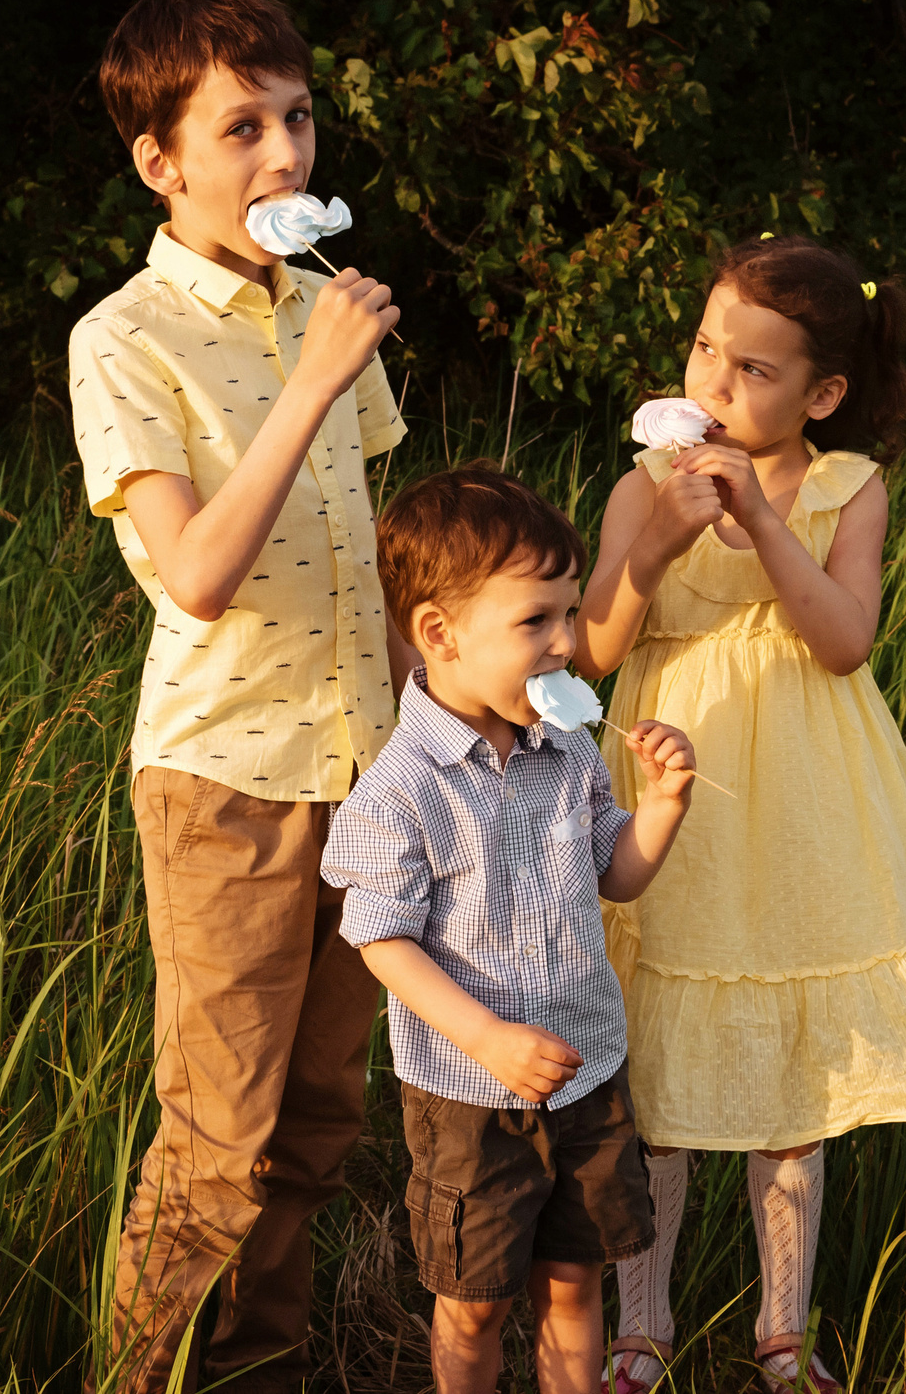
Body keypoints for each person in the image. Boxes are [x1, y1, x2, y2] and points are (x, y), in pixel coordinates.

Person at [576, 234, 906, 1394]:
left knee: (793, 1078)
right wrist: (664, 538)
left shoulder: (845, 485)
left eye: (753, 370)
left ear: (820, 393)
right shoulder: (644, 481)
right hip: (666, 777)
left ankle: (781, 1327)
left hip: (799, 798)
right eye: (703, 352)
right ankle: (644, 1320)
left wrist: (759, 526)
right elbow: (585, 649)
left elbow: (842, 641)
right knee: (658, 1071)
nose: (714, 385)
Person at [67, 0, 410, 1394]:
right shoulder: (124, 339)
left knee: (322, 1118)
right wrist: (312, 382)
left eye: (300, 118)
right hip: (227, 786)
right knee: (217, 1133)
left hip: (368, 772)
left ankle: (256, 1370)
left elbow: (377, 556)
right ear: (162, 162)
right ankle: (138, 1378)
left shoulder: (322, 304)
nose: (285, 155)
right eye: (243, 129)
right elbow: (194, 572)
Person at [321, 466, 701, 1394]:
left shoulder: (567, 747)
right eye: (537, 622)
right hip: (469, 1098)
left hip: (587, 1071)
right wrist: (487, 1036)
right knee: (476, 1301)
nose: (568, 642)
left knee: (574, 1283)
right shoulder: (401, 790)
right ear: (439, 636)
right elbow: (383, 941)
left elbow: (614, 873)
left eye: (569, 615)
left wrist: (663, 807)